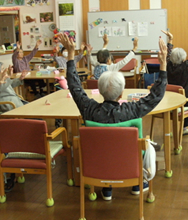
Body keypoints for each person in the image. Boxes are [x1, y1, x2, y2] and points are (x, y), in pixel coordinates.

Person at [58, 33, 167, 200]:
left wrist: (71, 56)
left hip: (99, 163)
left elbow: (75, 87)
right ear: (122, 93)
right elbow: (156, 95)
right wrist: (163, 64)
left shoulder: (90, 110)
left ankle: (107, 187)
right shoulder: (132, 111)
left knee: (105, 153)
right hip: (129, 163)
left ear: (100, 91)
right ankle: (137, 184)